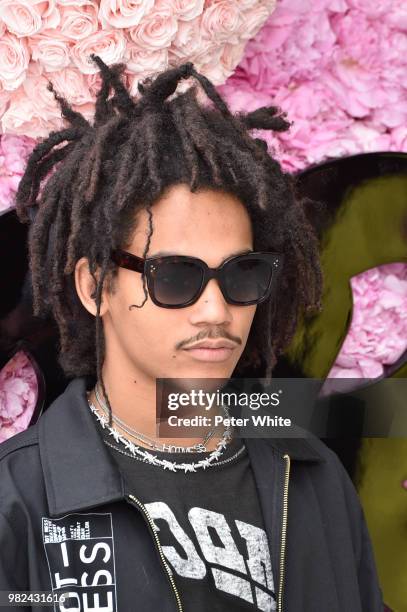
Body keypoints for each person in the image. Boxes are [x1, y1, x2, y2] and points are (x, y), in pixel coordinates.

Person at [0, 55, 383, 612]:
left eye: (240, 275)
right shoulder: (19, 501)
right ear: (94, 285)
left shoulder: (314, 478)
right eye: (174, 276)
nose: (215, 310)